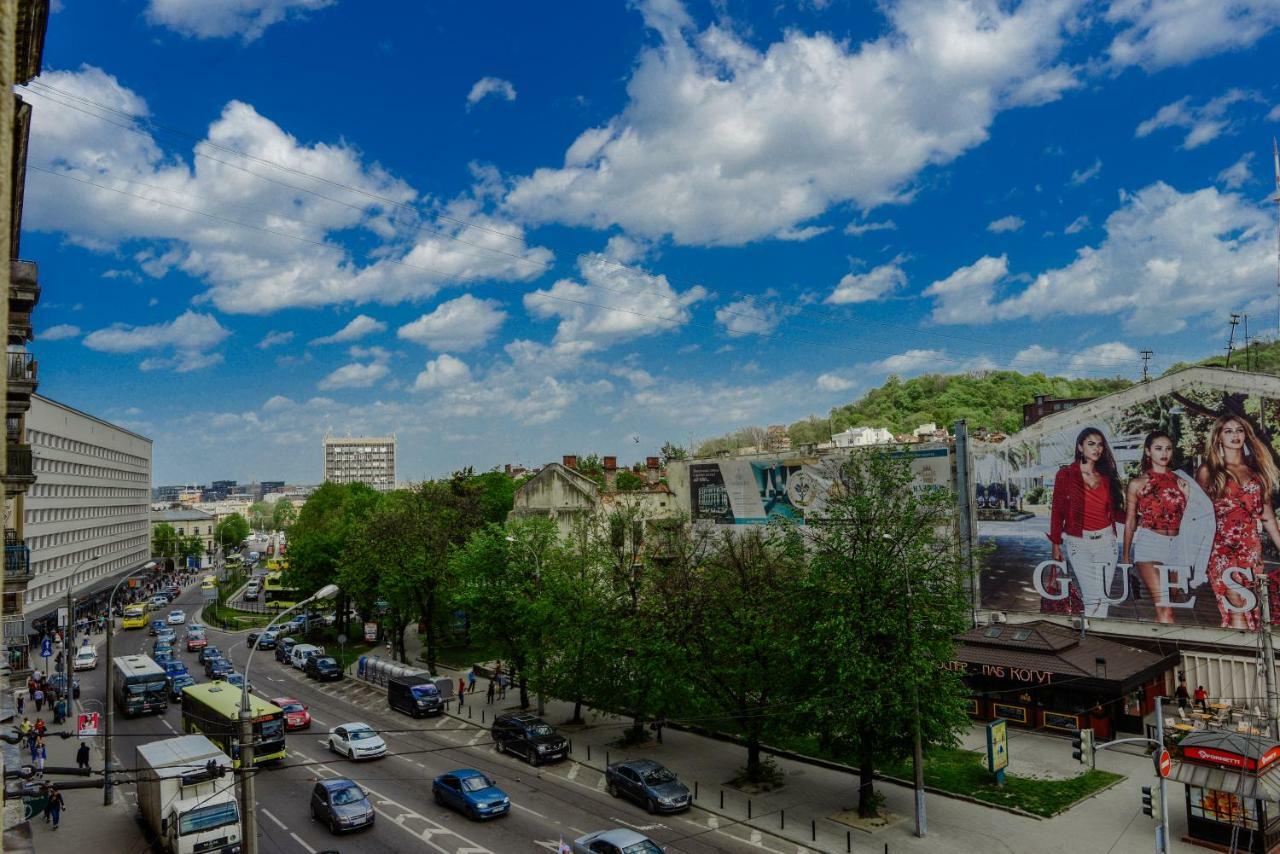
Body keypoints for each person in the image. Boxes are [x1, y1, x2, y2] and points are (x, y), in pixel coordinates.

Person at [1196, 415, 1280, 629]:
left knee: (1253, 611)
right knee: (1236, 609)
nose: (1235, 435)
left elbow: (1268, 517)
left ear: (1246, 435)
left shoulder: (1256, 472)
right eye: (1228, 431)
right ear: (1218, 438)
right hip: (1220, 551)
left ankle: (1250, 660)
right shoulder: (1208, 472)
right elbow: (1197, 518)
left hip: (1251, 551)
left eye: (1239, 430)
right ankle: (1241, 658)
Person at [1049, 428, 1125, 618]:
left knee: (1103, 598)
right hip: (1079, 544)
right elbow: (1057, 512)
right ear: (1080, 447)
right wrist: (1056, 545)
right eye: (1091, 444)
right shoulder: (1065, 475)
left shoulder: (1107, 476)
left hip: (1106, 543)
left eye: (1100, 444)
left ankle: (1094, 638)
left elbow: (1115, 513)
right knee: (1092, 597)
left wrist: (1140, 518)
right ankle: (1093, 639)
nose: (1097, 448)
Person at [1122, 432, 1193, 624]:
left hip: (1178, 547)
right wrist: (1126, 556)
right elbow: (1130, 522)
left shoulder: (1182, 482)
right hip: (1150, 546)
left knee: (1168, 607)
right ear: (1148, 452)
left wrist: (1187, 496)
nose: (1164, 453)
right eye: (1158, 448)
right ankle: (1170, 651)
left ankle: (1158, 643)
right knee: (1166, 610)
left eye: (1168, 448)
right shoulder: (1137, 484)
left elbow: (1193, 520)